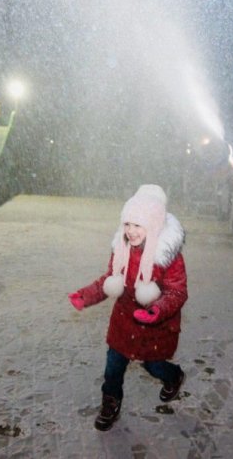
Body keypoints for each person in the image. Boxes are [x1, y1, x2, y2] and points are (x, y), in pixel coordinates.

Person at [68, 184, 188, 431]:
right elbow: (110, 279)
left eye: (138, 225)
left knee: (152, 365)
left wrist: (157, 309)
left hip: (155, 325)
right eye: (127, 224)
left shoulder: (167, 256)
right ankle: (110, 404)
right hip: (123, 322)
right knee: (113, 367)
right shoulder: (121, 249)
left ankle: (173, 376)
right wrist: (86, 296)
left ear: (153, 225)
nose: (131, 232)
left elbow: (177, 291)